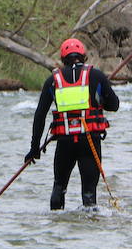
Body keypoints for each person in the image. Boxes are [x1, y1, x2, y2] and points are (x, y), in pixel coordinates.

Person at [26, 37, 120, 210]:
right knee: (89, 192)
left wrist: (34, 148)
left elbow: (40, 115)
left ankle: (55, 224)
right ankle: (89, 227)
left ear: (63, 59)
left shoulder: (53, 80)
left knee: (59, 187)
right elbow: (114, 106)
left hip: (65, 143)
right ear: (83, 56)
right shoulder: (96, 75)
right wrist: (100, 102)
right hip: (89, 142)